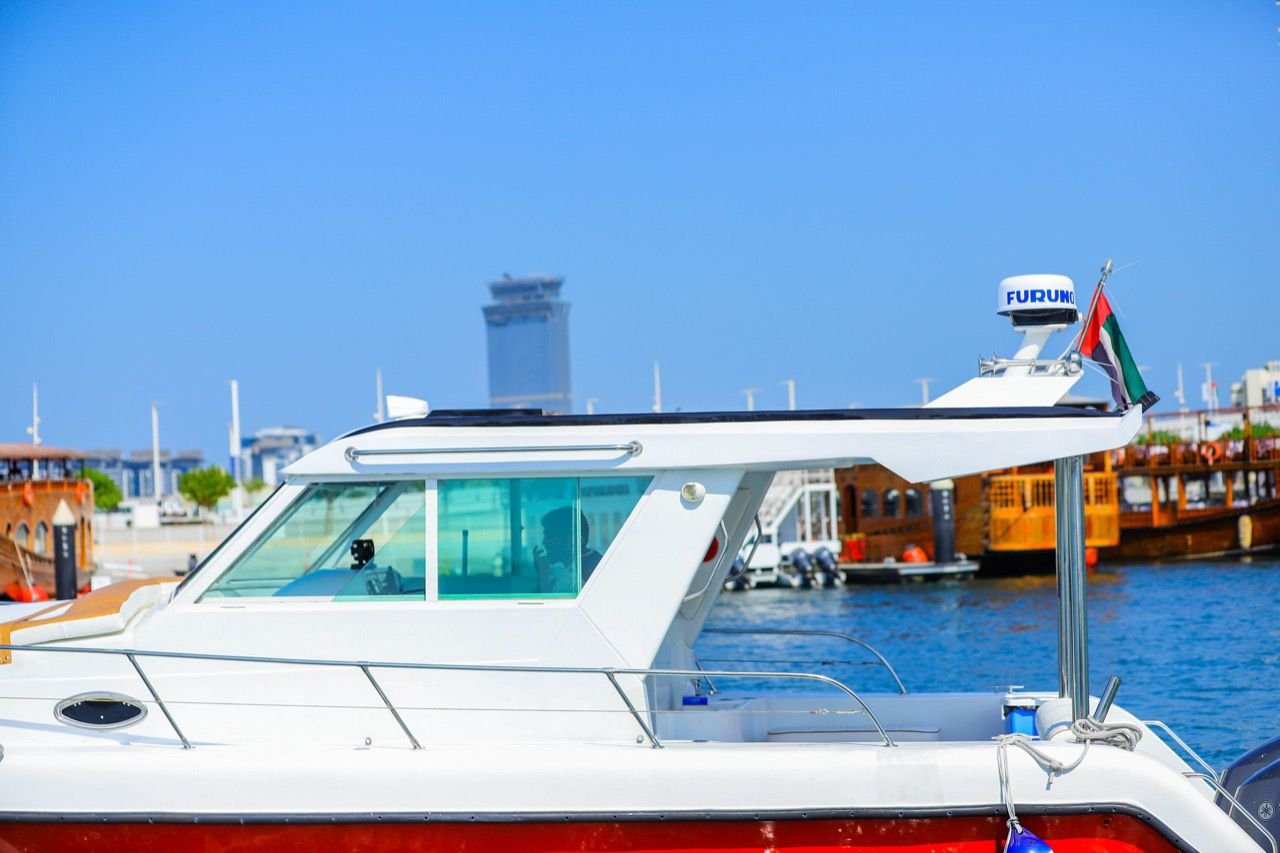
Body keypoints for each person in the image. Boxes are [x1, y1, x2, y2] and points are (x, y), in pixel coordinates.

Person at [533, 506, 603, 593]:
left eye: (550, 536)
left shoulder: (577, 578)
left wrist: (542, 577)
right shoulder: (590, 563)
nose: (544, 542)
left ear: (572, 538)